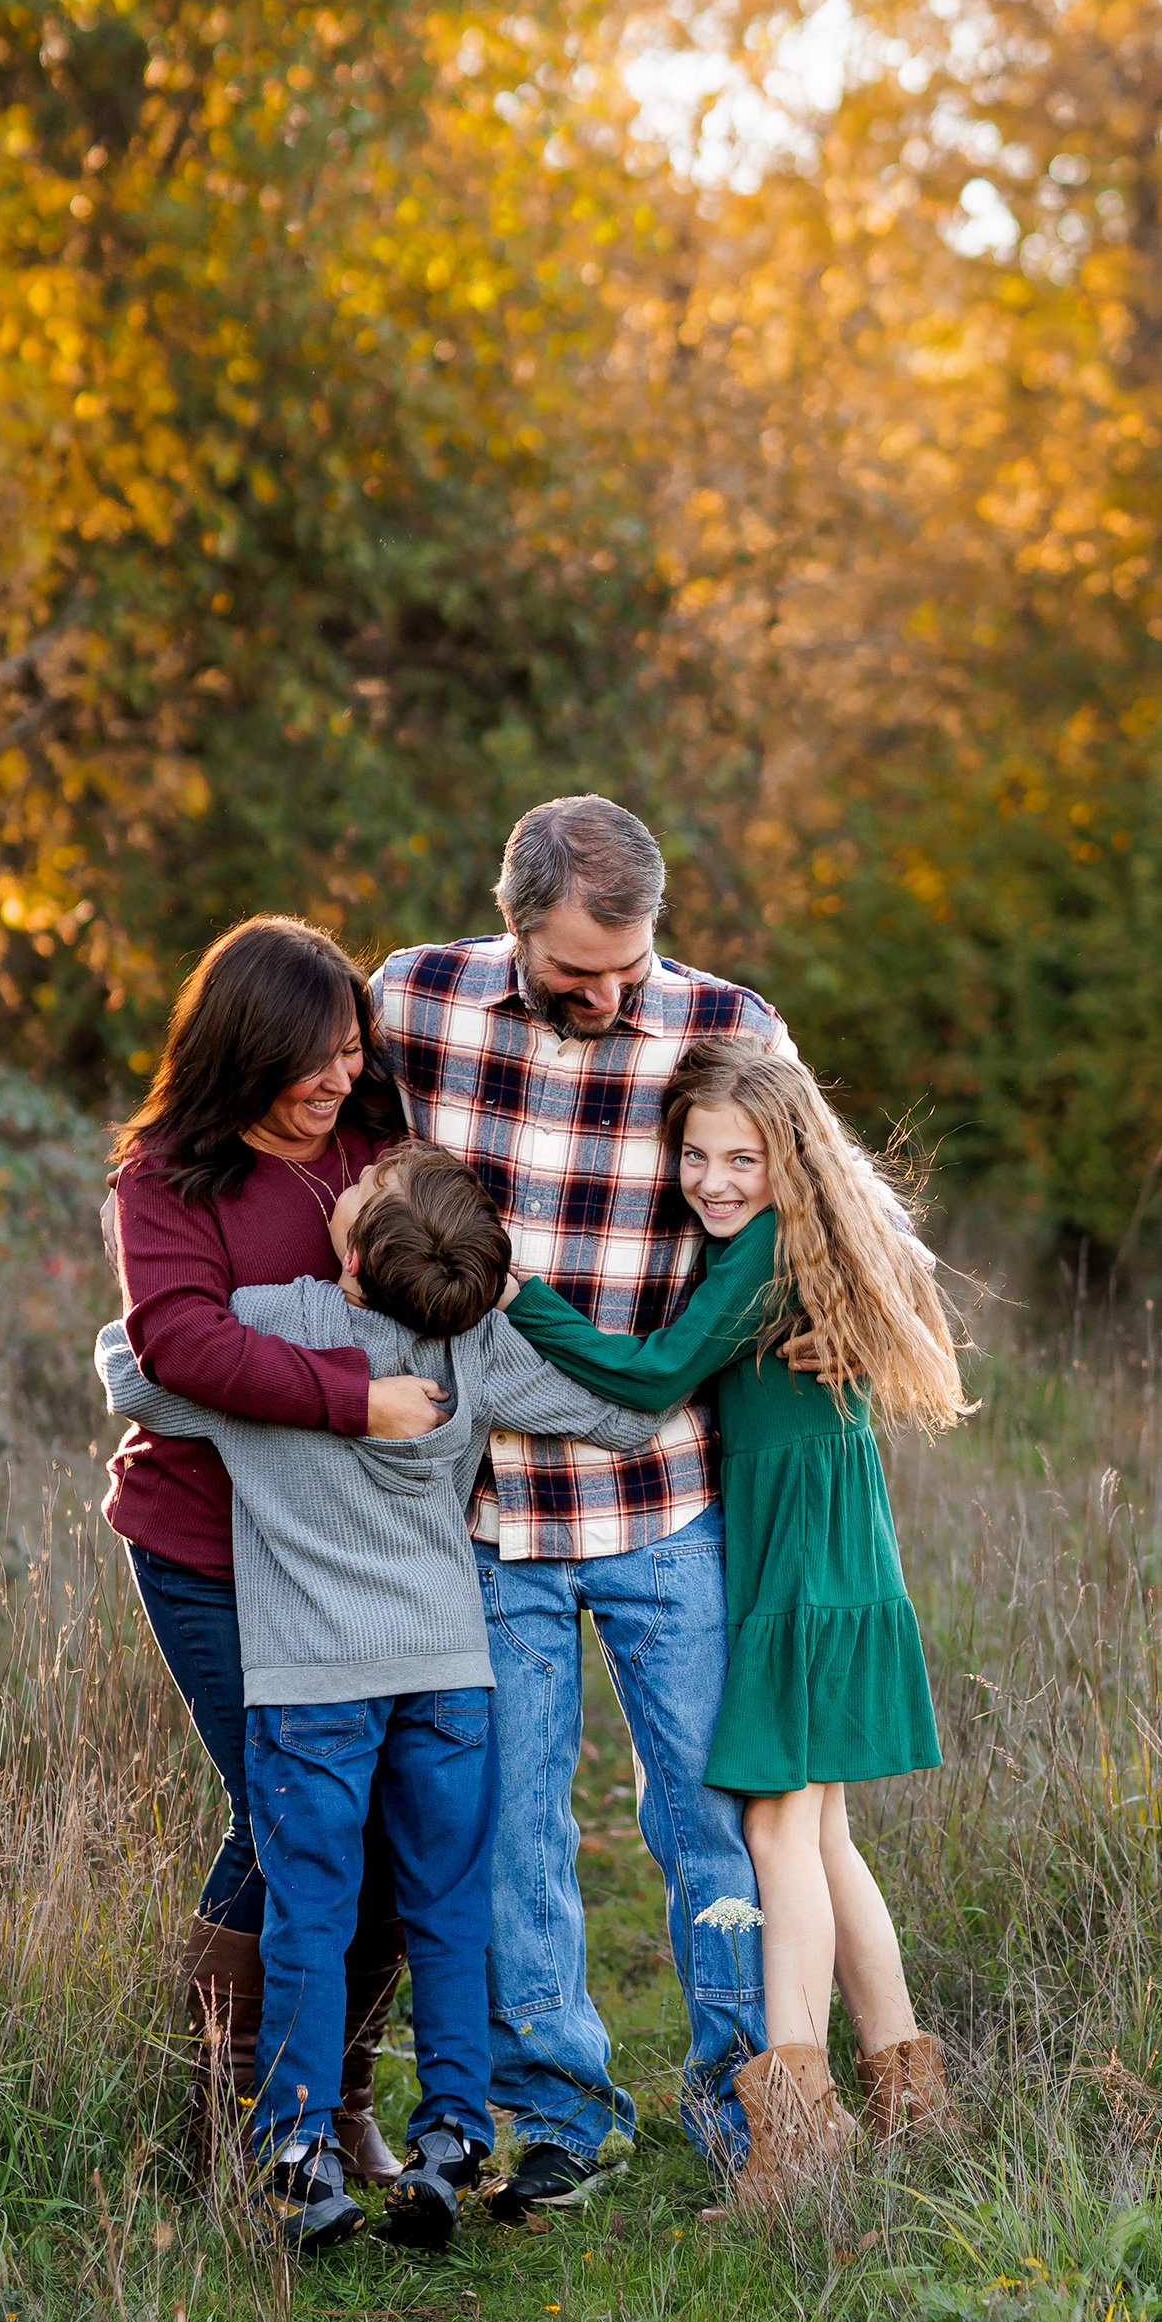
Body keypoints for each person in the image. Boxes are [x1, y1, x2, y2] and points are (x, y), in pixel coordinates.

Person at [96, 1142, 661, 2251]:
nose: (343, 1182)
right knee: (445, 1906)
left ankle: (298, 2154)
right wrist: (507, 1304)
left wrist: (162, 1340)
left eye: (354, 1196)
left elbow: (133, 1371)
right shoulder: (478, 1341)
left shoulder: (267, 1322)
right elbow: (626, 1418)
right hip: (448, 1669)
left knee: (310, 1907)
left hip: (311, 1678)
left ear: (353, 1264)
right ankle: (451, 2134)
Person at [372, 795, 788, 2212]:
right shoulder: (413, 1001)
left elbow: (805, 1236)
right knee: (509, 1822)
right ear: (511, 927)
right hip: (483, 1510)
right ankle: (560, 2109)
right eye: (574, 974)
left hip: (669, 1499)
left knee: (708, 1818)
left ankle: (746, 2094)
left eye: (630, 967)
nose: (609, 996)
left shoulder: (732, 1026)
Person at [503, 1037, 968, 2198]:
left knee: (774, 1835)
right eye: (694, 1154)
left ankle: (798, 2123)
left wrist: (526, 1298)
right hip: (827, 1550)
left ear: (788, 1160)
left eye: (740, 1157)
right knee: (821, 1834)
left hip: (798, 1569)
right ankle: (910, 2094)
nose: (711, 1179)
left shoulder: (764, 1252)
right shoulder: (809, 1235)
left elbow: (653, 1375)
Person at [102, 916, 448, 2185]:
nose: (334, 1079)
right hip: (209, 1548)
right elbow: (178, 1344)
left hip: (355, 1550)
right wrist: (353, 1394)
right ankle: (224, 2114)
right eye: (308, 1059)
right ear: (239, 1052)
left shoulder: (374, 1150)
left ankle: (339, 2099)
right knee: (288, 1808)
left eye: (350, 1051)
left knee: (389, 1817)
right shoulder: (166, 1176)